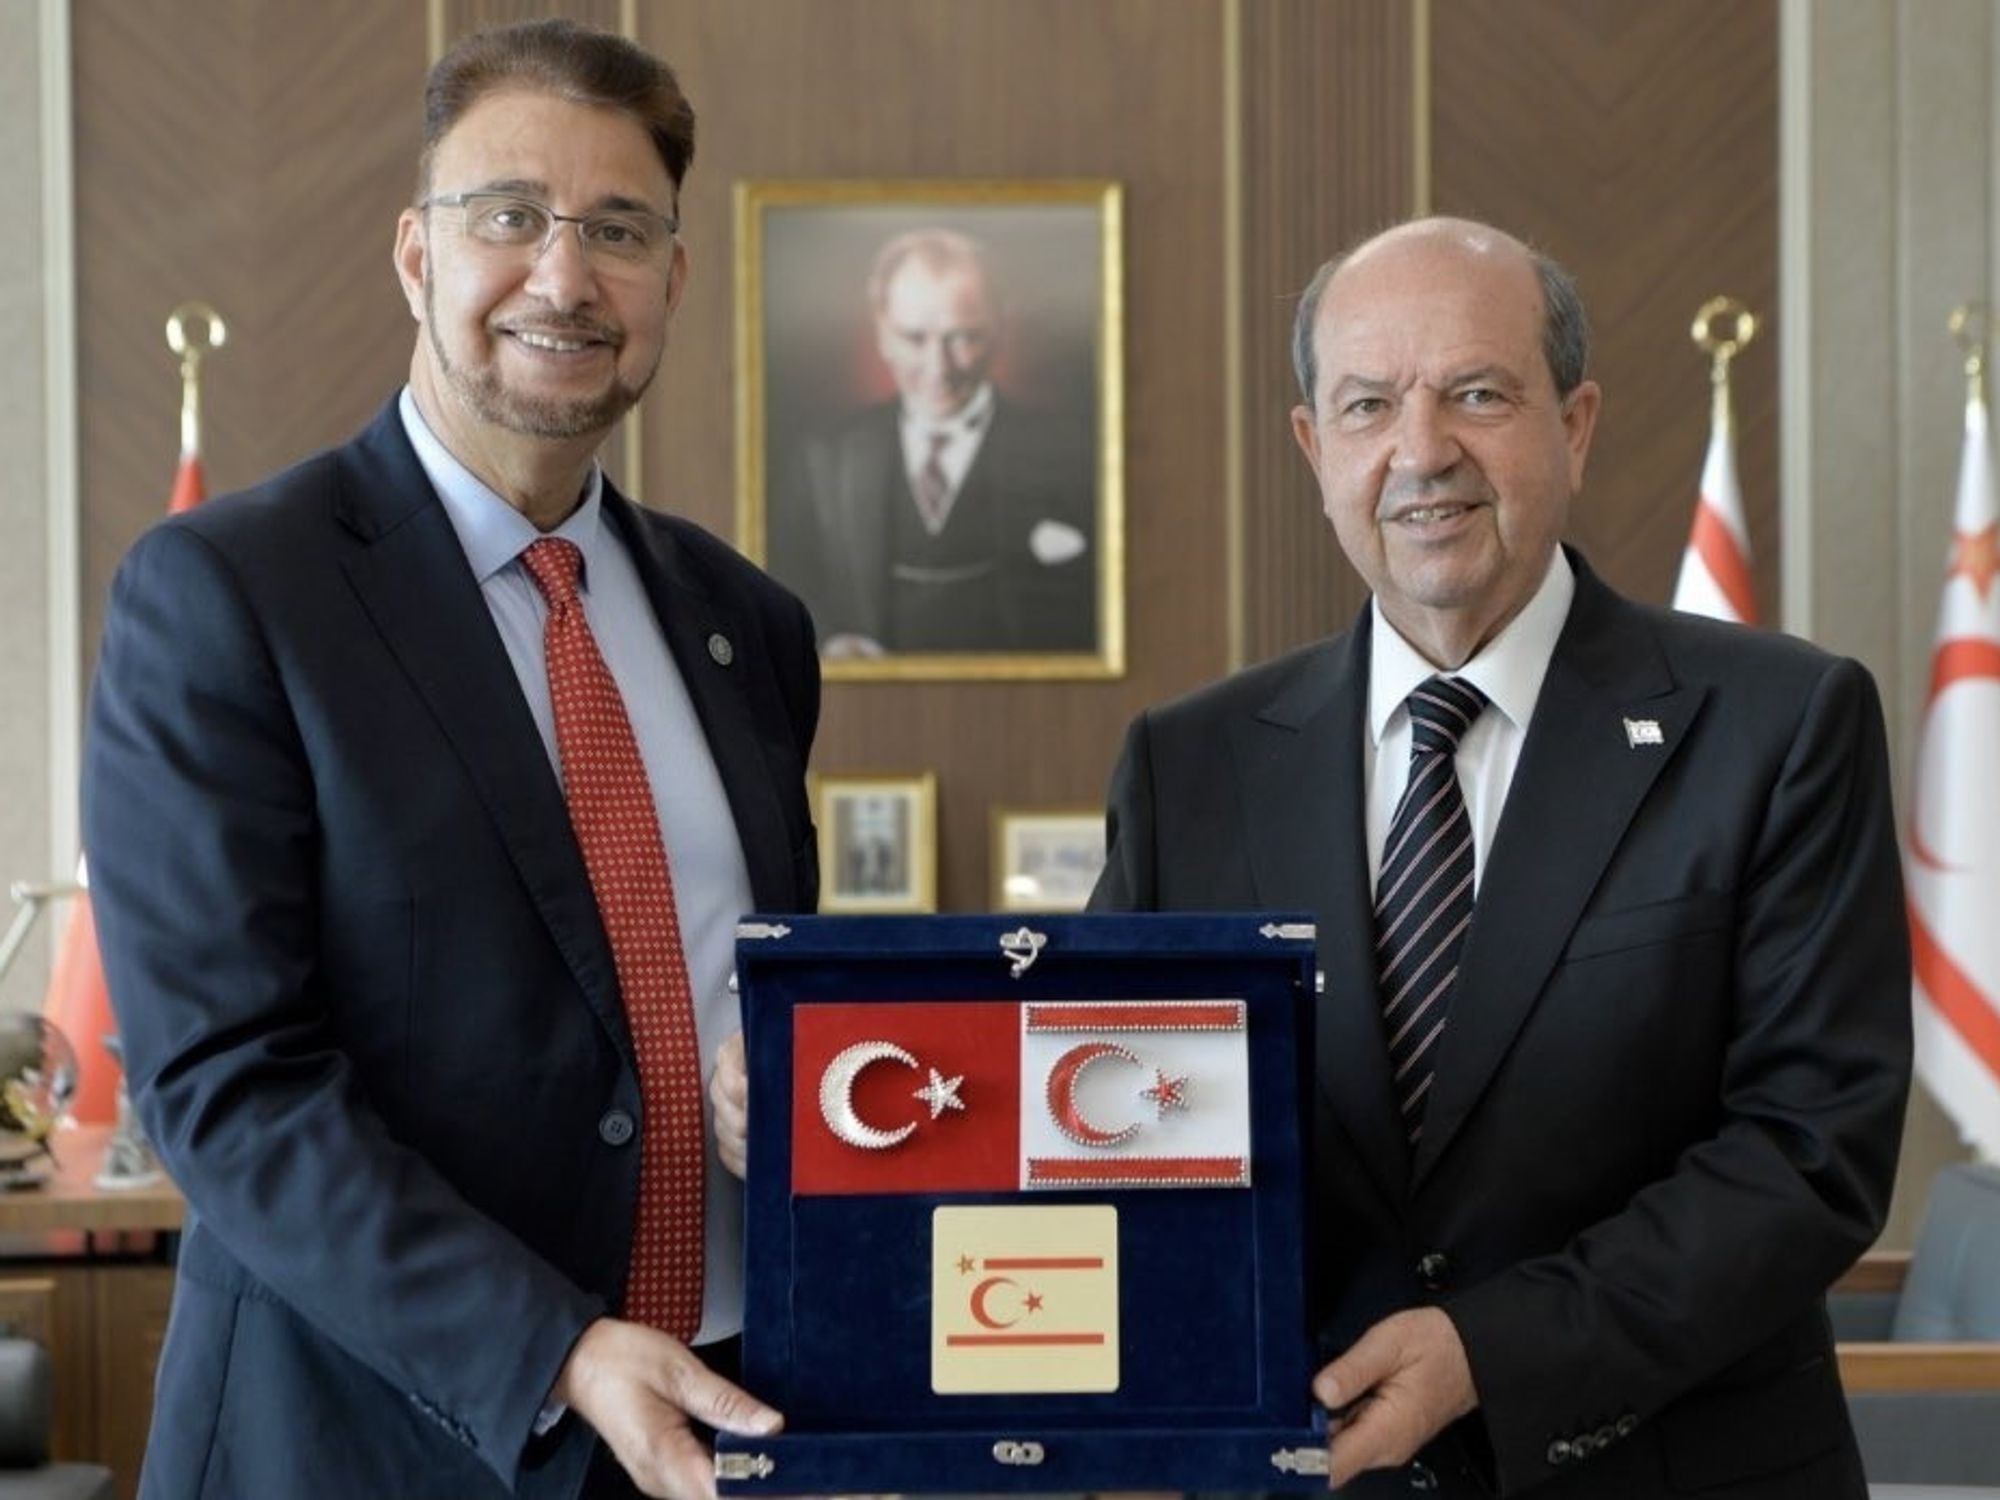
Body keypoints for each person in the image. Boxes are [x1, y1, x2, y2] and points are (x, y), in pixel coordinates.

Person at [82, 20, 817, 1500]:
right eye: (511, 218)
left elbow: (747, 992)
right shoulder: (229, 594)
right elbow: (225, 1080)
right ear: (417, 255)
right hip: (372, 1438)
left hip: (723, 1417)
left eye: (618, 229)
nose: (565, 276)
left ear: (671, 283)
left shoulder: (747, 622)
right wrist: (559, 1347)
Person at [1088, 218, 1911, 1498]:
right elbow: (1096, 1109)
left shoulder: (1776, 724)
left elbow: (1808, 1152)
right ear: (1315, 448)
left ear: (1572, 425)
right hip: (1305, 1469)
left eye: (1477, 393)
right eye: (1367, 406)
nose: (1422, 452)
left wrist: (1489, 1350)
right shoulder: (1186, 767)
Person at [771, 228, 1097, 656]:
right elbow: (782, 581)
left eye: (963, 337)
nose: (938, 367)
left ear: (999, 330)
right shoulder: (825, 458)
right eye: (914, 338)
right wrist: (830, 641)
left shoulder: (1073, 454)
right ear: (883, 333)